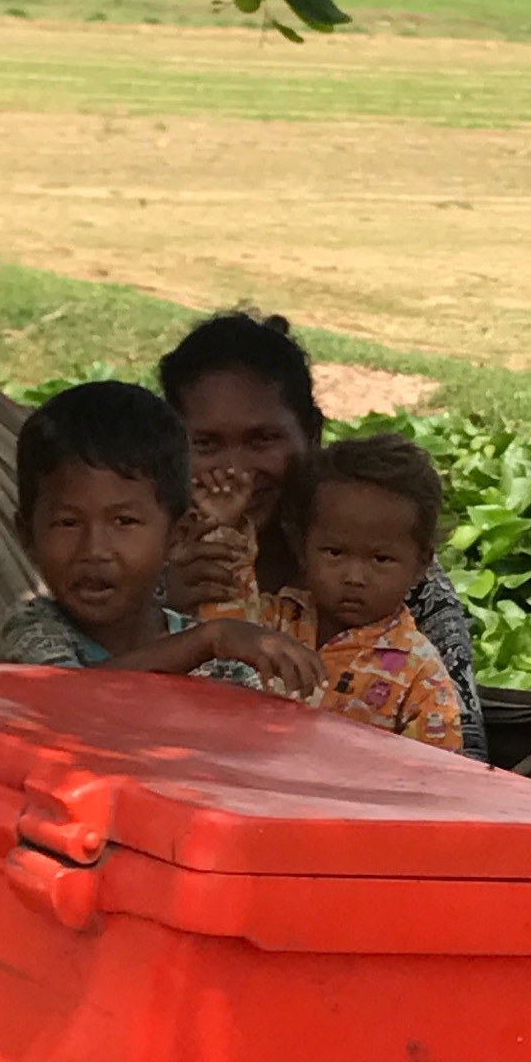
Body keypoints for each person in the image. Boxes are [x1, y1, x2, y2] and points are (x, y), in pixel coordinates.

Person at [158, 312, 490, 761]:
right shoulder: (145, 550)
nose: (236, 470)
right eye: (206, 444)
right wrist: (159, 608)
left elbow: (459, 749)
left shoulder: (406, 576)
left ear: (312, 435)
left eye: (263, 439)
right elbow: (90, 687)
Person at [0, 379, 324, 700]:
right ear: (28, 537)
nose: (94, 550)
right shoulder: (34, 630)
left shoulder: (217, 659)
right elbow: (64, 698)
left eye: (124, 521)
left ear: (177, 536)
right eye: (67, 523)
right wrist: (206, 640)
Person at [192, 434, 464, 751]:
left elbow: (438, 776)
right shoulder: (275, 620)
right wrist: (226, 527)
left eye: (380, 559)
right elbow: (225, 610)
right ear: (302, 549)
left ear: (420, 565)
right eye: (335, 553)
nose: (354, 576)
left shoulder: (420, 672)